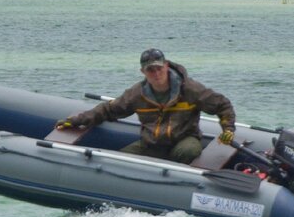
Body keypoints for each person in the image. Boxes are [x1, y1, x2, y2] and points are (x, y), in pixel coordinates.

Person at [57, 48, 236, 165]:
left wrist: (228, 129)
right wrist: (77, 120)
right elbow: (109, 110)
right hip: (151, 144)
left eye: (159, 68)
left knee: (187, 151)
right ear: (143, 72)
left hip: (184, 139)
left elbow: (222, 105)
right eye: (150, 70)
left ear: (166, 66)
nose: (156, 74)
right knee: (119, 161)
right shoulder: (137, 93)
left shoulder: (190, 89)